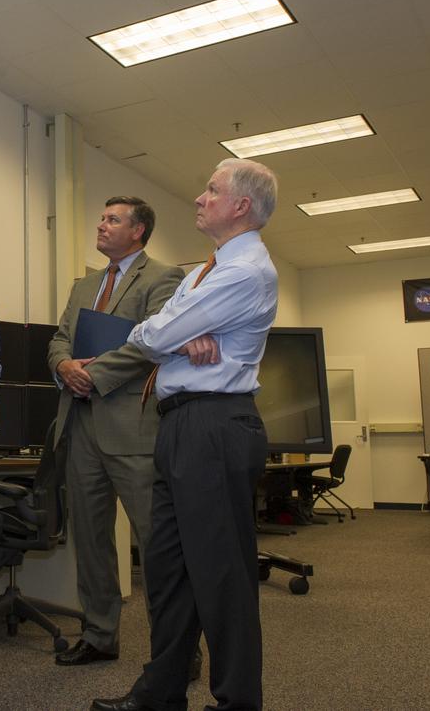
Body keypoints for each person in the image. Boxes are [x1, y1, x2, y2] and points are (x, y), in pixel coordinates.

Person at [92, 158, 279, 711]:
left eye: (211, 190)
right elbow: (169, 327)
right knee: (169, 571)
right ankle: (162, 691)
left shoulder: (245, 271)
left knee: (221, 575)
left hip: (215, 424)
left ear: (241, 205)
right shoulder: (208, 269)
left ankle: (237, 701)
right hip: (180, 423)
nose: (199, 198)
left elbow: (155, 333)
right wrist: (181, 332)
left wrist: (174, 334)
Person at [45, 197, 191, 674]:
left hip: (133, 427)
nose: (102, 225)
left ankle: (179, 650)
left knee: (156, 543)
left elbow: (154, 343)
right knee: (90, 539)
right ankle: (99, 636)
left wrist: (96, 374)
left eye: (113, 219)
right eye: (101, 217)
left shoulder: (163, 278)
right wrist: (64, 366)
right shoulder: (83, 284)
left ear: (138, 230)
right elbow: (59, 339)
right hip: (80, 424)